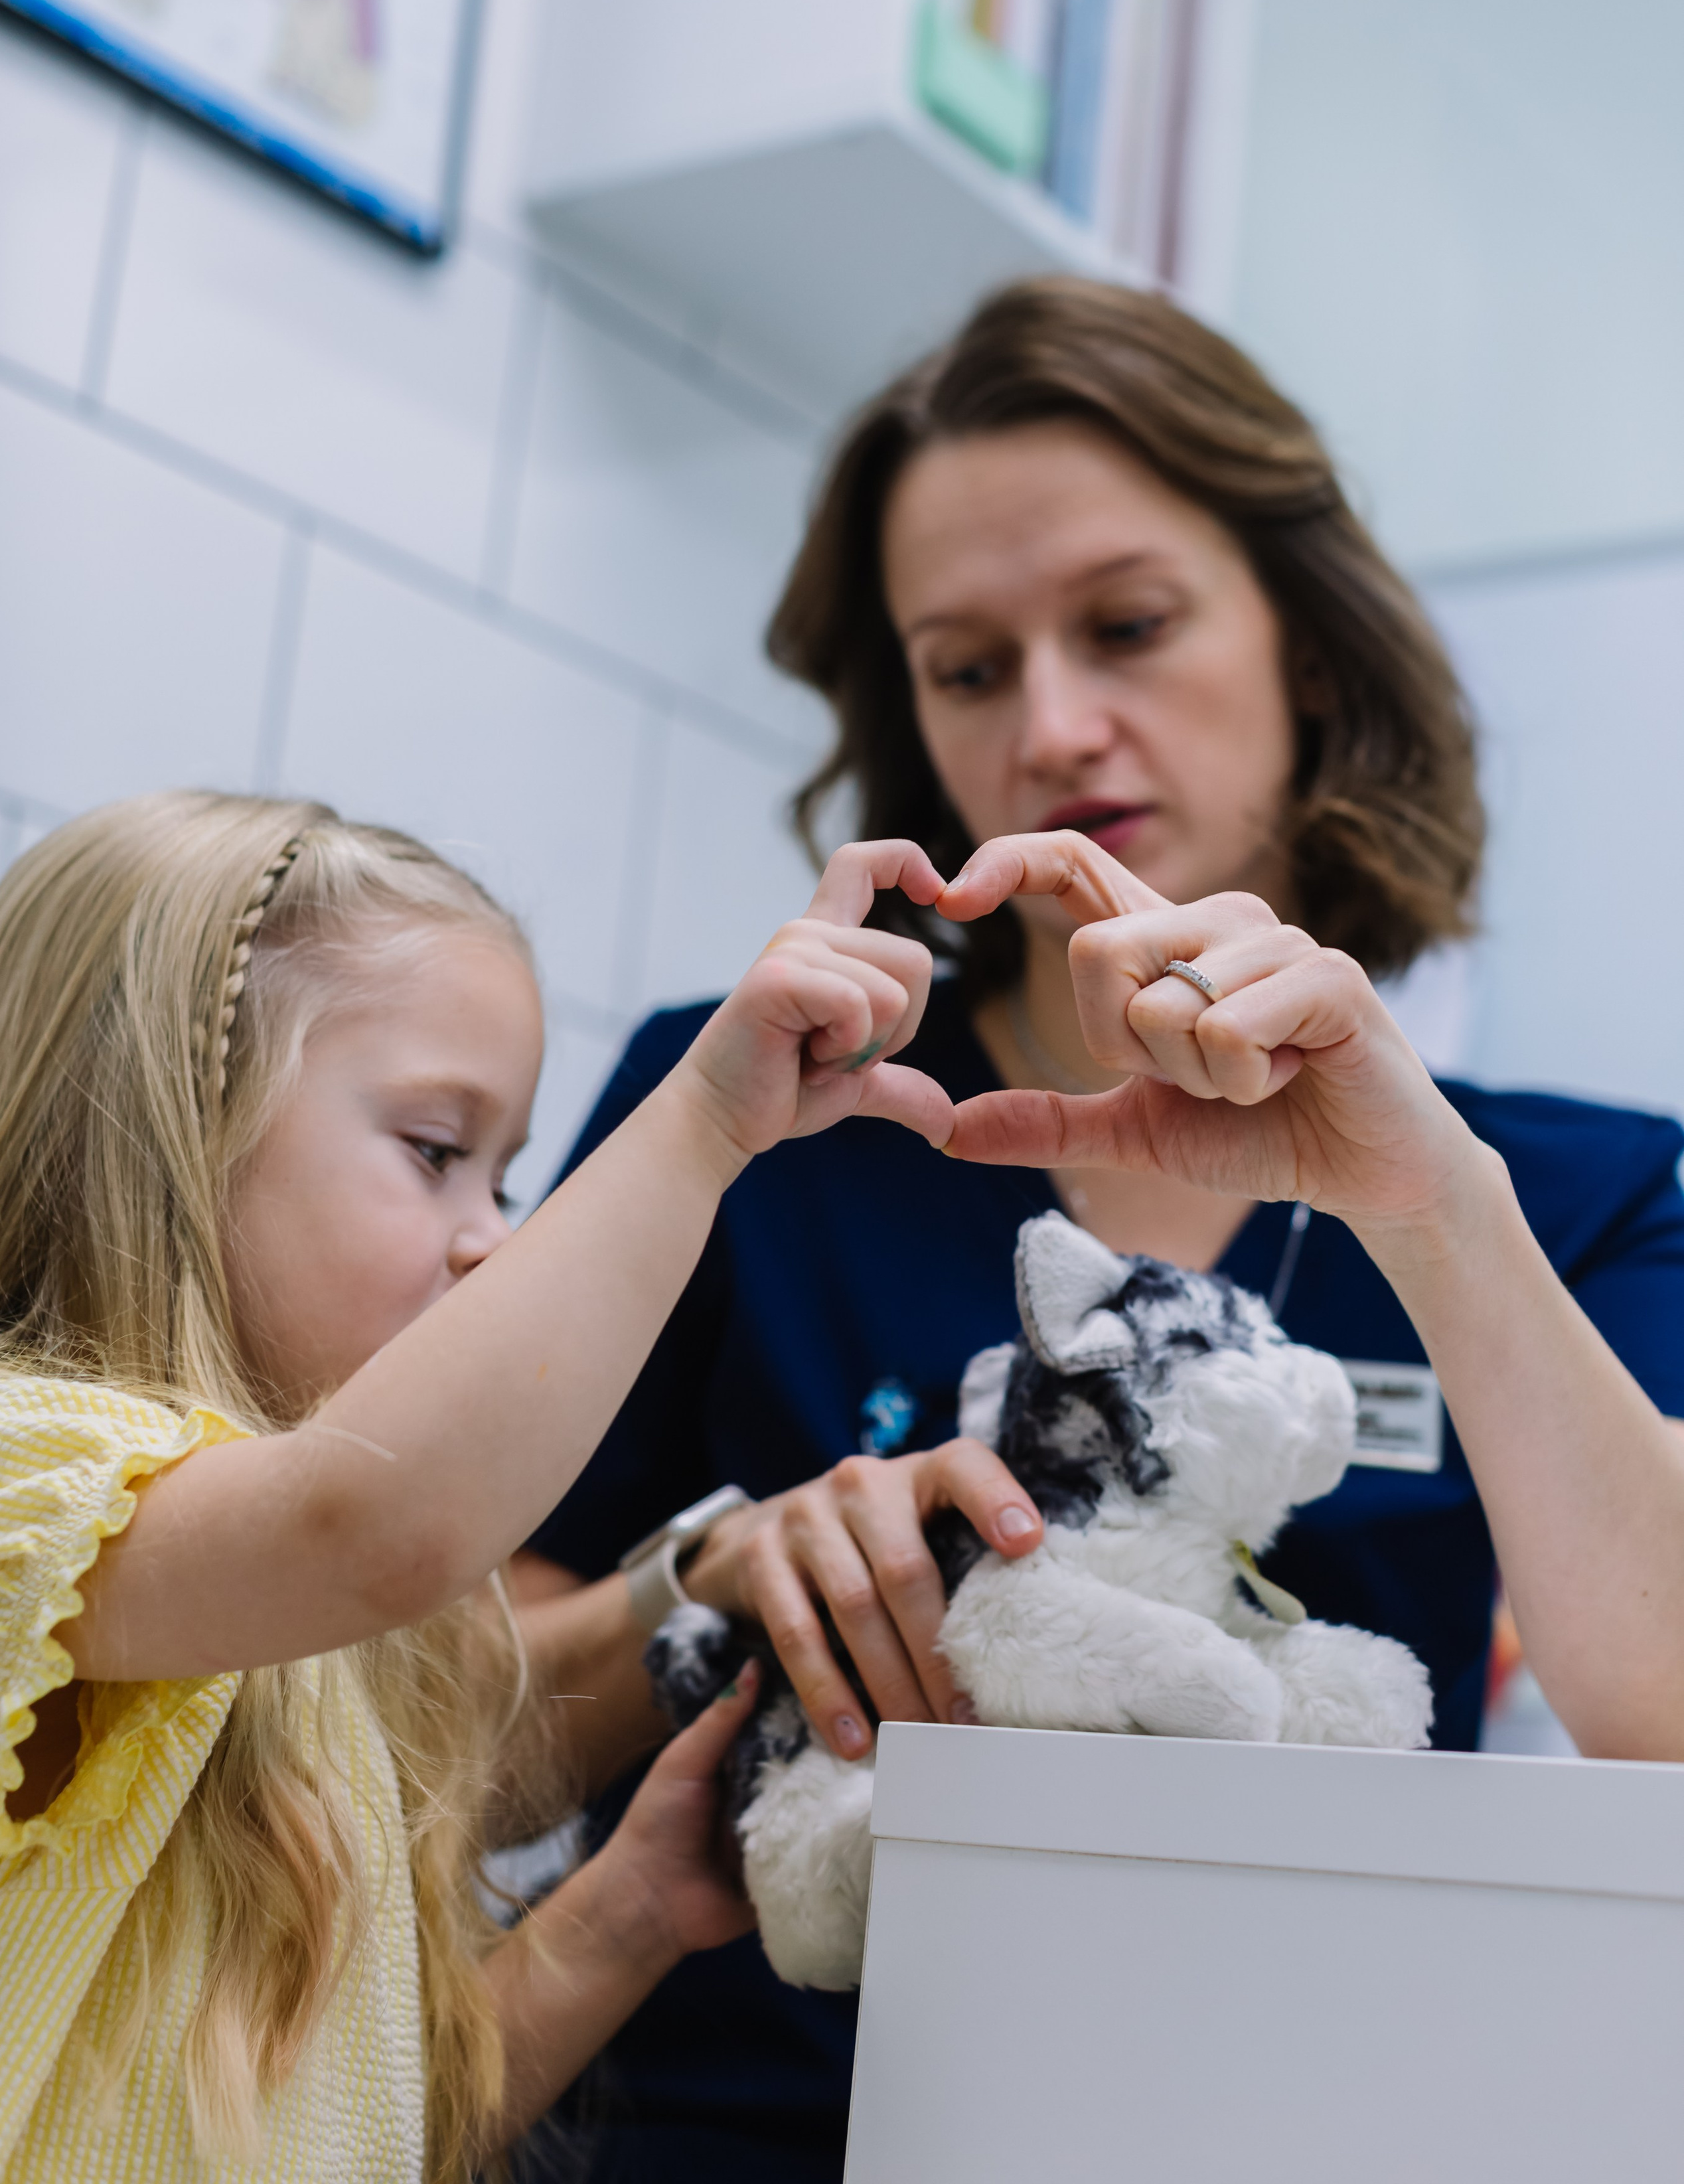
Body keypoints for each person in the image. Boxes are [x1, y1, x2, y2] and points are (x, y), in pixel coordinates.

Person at [513, 277, 1684, 2184]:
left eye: (1128, 626)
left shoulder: (1570, 1191)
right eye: (968, 669)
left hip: (1310, 2135)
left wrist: (1430, 1207)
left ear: (1307, 641)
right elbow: (426, 1714)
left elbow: (1667, 1711)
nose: (1056, 726)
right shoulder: (755, 1107)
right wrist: (706, 1576)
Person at [0, 790, 956, 2183]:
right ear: (166, 1126)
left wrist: (627, 1911)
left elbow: (353, 2137)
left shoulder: (300, 1659)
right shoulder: (17, 1478)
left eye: (503, 1178)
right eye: (438, 1153)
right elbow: (377, 1528)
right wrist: (701, 1127)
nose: (490, 1246)